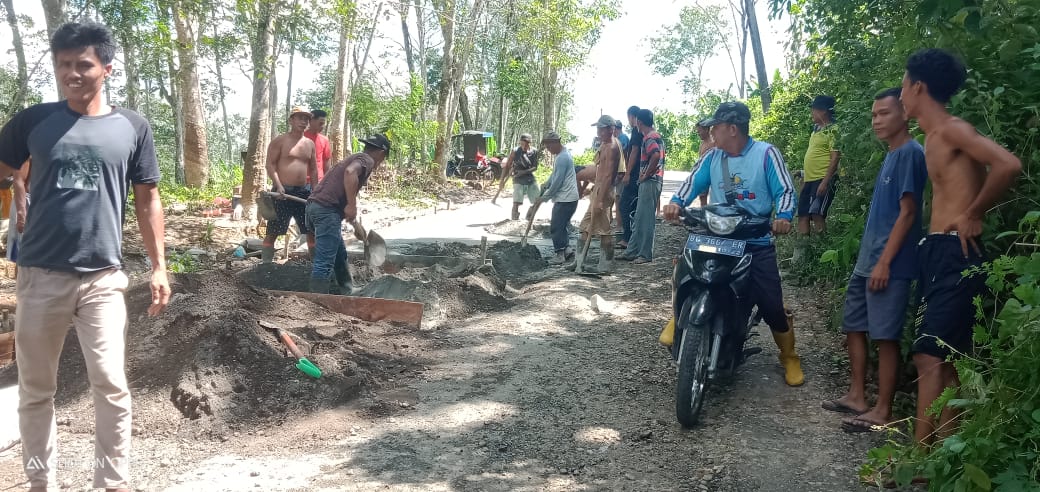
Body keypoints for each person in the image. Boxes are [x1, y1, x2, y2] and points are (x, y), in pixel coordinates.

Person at [0, 21, 170, 491]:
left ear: (106, 68)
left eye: (82, 65)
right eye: (62, 65)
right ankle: (40, 484)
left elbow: (147, 199)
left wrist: (159, 266)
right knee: (36, 390)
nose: (70, 74)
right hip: (40, 275)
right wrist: (16, 183)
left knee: (111, 385)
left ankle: (111, 484)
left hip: (104, 277)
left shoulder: (132, 127)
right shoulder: (34, 121)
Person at [899, 48, 1021, 446]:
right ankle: (942, 459)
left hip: (956, 252)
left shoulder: (952, 129)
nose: (901, 94)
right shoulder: (933, 136)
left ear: (918, 87)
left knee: (928, 355)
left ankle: (917, 456)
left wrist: (973, 212)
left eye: (903, 85)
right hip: (937, 251)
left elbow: (1008, 164)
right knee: (944, 359)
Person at [664, 101, 804, 387]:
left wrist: (784, 217)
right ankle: (679, 312)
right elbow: (692, 184)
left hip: (755, 238)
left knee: (771, 303)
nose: (711, 131)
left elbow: (785, 190)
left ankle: (789, 355)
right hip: (717, 235)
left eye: (715, 127)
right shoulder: (713, 157)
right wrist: (676, 203)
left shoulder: (766, 153)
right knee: (687, 268)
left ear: (732, 128)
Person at [822, 88, 928, 432]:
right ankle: (857, 395)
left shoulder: (911, 153)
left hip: (890, 264)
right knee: (853, 325)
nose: (877, 120)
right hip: (868, 260)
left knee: (885, 336)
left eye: (884, 113)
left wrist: (885, 261)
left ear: (904, 114)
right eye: (873, 115)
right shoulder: (891, 153)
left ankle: (884, 409)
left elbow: (909, 212)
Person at [306, 134, 390, 294]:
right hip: (326, 211)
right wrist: (352, 205)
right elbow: (350, 173)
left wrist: (355, 224)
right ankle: (316, 302)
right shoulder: (367, 160)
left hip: (315, 208)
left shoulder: (355, 158)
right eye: (384, 157)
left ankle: (347, 289)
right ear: (381, 153)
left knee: (339, 253)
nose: (382, 161)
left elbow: (341, 196)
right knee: (325, 260)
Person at [261, 106, 319, 263]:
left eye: (306, 119)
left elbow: (313, 170)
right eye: (300, 118)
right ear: (291, 120)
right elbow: (270, 165)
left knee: (310, 230)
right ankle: (265, 266)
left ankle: (316, 267)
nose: (304, 121)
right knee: (273, 230)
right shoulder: (280, 141)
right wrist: (278, 185)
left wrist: (315, 191)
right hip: (282, 193)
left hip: (303, 192)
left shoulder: (310, 144)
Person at [572, 115, 622, 274]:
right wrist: (590, 188)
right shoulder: (604, 144)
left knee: (604, 229)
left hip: (604, 192)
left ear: (610, 129)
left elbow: (608, 176)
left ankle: (606, 265)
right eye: (597, 128)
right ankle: (578, 261)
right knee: (586, 226)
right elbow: (598, 170)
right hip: (598, 189)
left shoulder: (612, 147)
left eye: (601, 129)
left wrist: (600, 200)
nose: (598, 131)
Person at [620, 108, 664, 264]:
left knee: (646, 219)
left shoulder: (649, 137)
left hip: (650, 182)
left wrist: (647, 174)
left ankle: (645, 254)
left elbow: (656, 155)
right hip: (650, 181)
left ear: (639, 122)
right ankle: (632, 250)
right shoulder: (653, 135)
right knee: (639, 217)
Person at [797, 95, 841, 237]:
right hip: (810, 180)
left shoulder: (833, 129)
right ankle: (804, 250)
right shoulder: (815, 130)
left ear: (823, 111)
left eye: (814, 110)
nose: (812, 113)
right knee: (803, 215)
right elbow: (816, 156)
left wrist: (825, 181)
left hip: (823, 179)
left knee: (817, 213)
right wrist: (804, 173)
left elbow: (835, 157)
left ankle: (822, 246)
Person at [535, 132, 579, 265]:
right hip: (570, 198)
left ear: (555, 143)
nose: (548, 150)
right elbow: (555, 175)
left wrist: (544, 197)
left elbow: (558, 182)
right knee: (562, 225)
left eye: (549, 147)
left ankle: (559, 255)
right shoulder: (562, 155)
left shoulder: (562, 158)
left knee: (556, 226)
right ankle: (567, 250)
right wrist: (546, 183)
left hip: (566, 198)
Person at [618, 106, 643, 250]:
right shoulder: (646, 131)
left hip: (634, 174)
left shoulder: (636, 130)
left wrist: (627, 173)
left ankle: (627, 238)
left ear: (631, 116)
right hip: (641, 174)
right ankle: (633, 238)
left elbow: (634, 151)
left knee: (624, 205)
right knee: (634, 206)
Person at [500, 134, 540, 220]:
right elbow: (507, 166)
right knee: (517, 201)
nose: (524, 146)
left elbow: (535, 167)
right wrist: (502, 181)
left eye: (526, 145)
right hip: (517, 178)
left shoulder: (534, 151)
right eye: (522, 144)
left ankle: (529, 216)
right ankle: (514, 219)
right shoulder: (515, 151)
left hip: (529, 177)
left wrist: (524, 172)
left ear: (530, 144)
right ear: (520, 143)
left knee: (537, 200)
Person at [304, 108, 333, 181]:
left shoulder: (324, 140)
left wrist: (327, 181)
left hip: (319, 181)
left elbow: (326, 162)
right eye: (321, 123)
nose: (322, 127)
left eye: (324, 124)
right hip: (301, 181)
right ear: (311, 121)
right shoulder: (301, 137)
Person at [695, 118, 715, 207]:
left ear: (707, 130)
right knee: (702, 196)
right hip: (704, 173)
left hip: (713, 173)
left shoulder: (713, 143)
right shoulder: (702, 144)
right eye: (697, 131)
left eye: (700, 131)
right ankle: (704, 212)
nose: (698, 133)